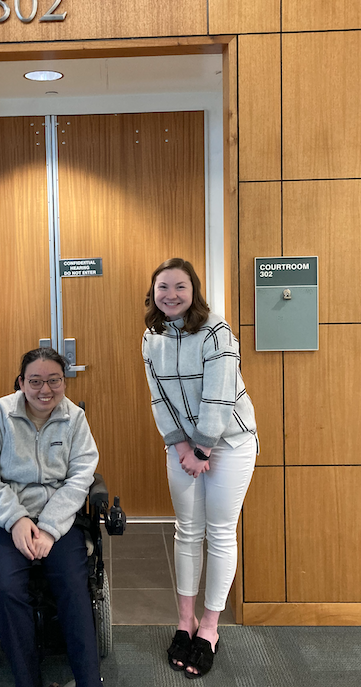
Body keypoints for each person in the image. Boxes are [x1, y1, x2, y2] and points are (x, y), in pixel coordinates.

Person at [142, 258, 257, 680]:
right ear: (153, 293)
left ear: (194, 292)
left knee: (220, 531)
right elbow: (159, 398)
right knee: (187, 530)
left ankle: (210, 628)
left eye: (180, 287)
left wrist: (203, 448)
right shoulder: (151, 337)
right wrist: (179, 444)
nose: (171, 295)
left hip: (230, 442)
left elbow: (220, 395)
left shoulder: (216, 331)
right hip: (183, 447)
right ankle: (184, 622)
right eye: (163, 288)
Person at [0, 347, 100, 687]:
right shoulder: (0, 413)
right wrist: (16, 519)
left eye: (54, 380)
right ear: (21, 382)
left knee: (73, 585)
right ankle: (28, 681)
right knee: (7, 589)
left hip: (60, 521)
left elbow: (81, 476)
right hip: (7, 519)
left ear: (63, 382)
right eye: (36, 381)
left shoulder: (74, 419)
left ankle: (88, 681)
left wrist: (50, 528)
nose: (45, 390)